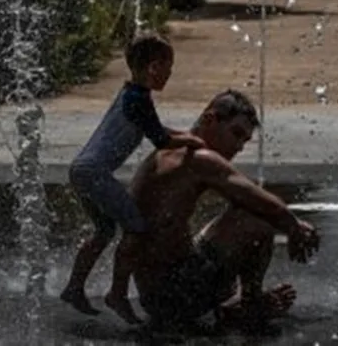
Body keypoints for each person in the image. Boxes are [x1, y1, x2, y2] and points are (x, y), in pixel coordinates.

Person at [127, 89, 321, 333]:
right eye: (235, 134)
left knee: (239, 212)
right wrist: (293, 226)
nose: (238, 147)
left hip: (155, 294)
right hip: (176, 295)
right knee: (256, 216)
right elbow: (258, 201)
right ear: (210, 119)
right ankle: (250, 304)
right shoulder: (200, 158)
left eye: (244, 141)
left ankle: (232, 305)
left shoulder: (170, 150)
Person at [60, 31, 206, 323]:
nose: (169, 75)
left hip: (81, 170)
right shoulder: (139, 99)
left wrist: (185, 135)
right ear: (154, 67)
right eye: (168, 69)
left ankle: (74, 288)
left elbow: (155, 129)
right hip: (95, 173)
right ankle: (117, 294)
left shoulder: (131, 93)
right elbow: (161, 140)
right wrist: (193, 141)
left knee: (104, 231)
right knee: (137, 229)